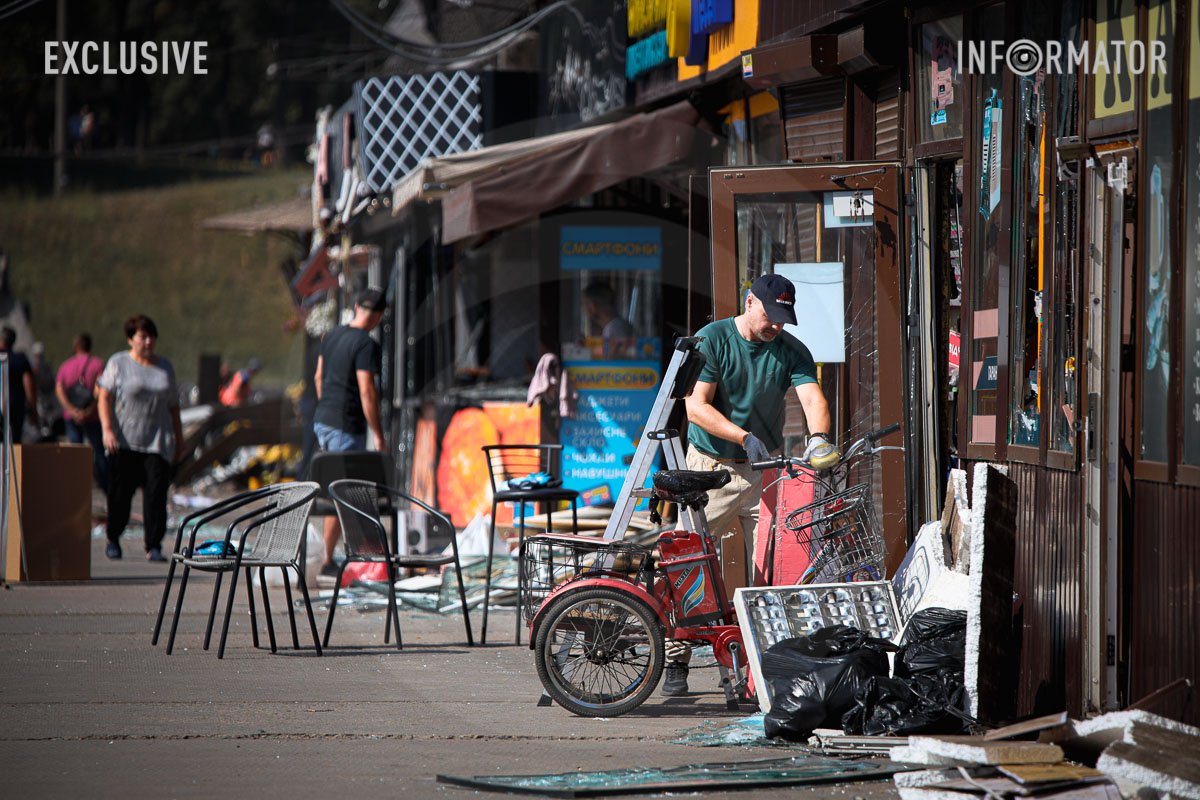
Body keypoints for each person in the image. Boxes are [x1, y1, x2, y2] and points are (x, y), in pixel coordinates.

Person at [663, 274, 841, 696]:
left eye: (783, 319)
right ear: (749, 302)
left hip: (763, 472)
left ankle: (765, 666)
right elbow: (696, 408)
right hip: (711, 467)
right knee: (689, 563)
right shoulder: (714, 339)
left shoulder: (790, 351)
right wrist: (743, 436)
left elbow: (814, 399)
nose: (776, 326)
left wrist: (818, 439)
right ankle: (676, 660)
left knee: (773, 570)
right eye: (770, 316)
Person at [97, 315, 184, 562]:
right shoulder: (119, 362)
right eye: (143, 337)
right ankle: (113, 538)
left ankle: (153, 546)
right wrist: (107, 429)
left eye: (152, 337)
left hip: (157, 441)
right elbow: (104, 396)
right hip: (124, 441)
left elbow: (174, 406)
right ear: (130, 339)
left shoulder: (164, 367)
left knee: (156, 495)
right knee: (120, 496)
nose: (148, 342)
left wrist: (180, 440)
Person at [313, 287, 386, 576]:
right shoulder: (366, 345)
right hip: (346, 424)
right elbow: (367, 390)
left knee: (336, 487)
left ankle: (337, 555)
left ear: (356, 306)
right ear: (378, 316)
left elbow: (319, 377)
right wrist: (378, 433)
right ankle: (328, 561)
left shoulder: (331, 336)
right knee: (340, 492)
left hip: (323, 419)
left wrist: (327, 407)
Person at [55, 333, 109, 490]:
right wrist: (89, 410)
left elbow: (59, 390)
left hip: (71, 417)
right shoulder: (98, 364)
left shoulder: (66, 366)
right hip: (92, 416)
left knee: (75, 453)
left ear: (75, 346)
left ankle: (76, 487)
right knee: (99, 452)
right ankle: (106, 487)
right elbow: (102, 390)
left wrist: (72, 410)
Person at [0, 326, 36, 445]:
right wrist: (32, 407)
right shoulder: (20, 359)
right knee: (14, 442)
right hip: (15, 405)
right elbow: (28, 383)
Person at [582, 281, 635, 359]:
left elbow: (613, 362)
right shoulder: (616, 327)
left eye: (585, 304)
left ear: (592, 306)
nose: (584, 309)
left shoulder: (615, 330)